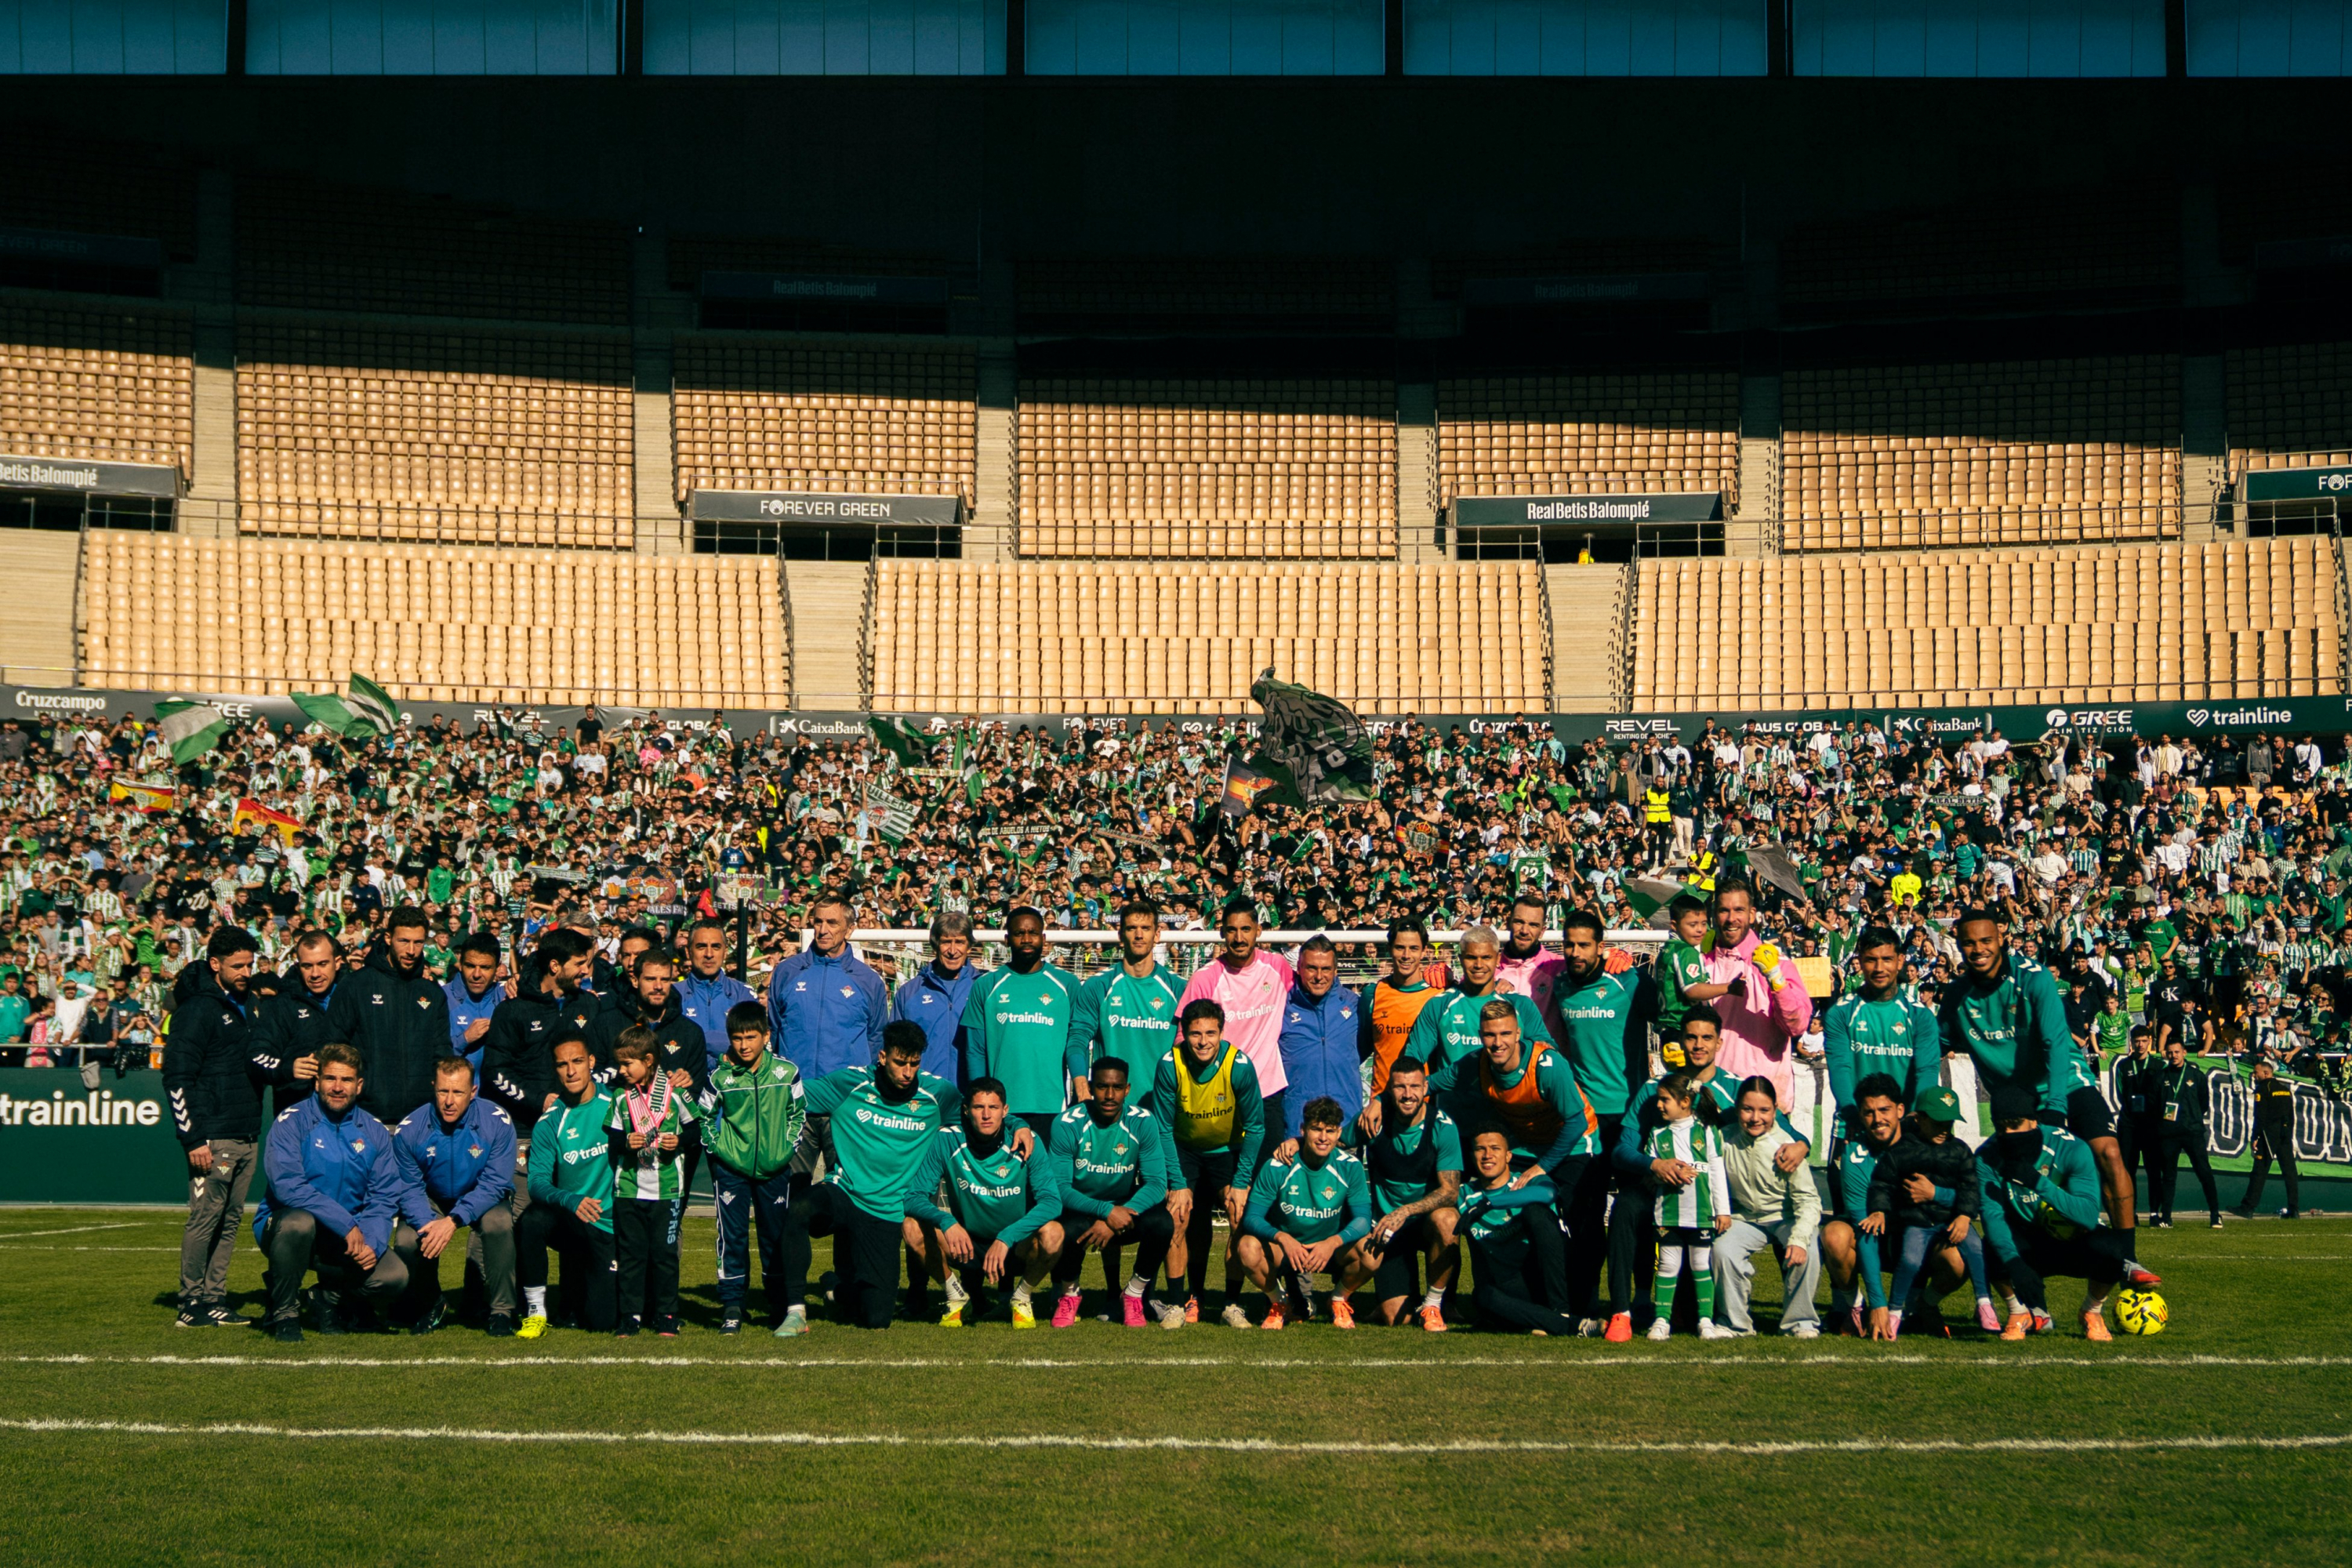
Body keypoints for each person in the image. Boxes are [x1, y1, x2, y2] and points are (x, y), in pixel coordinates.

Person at [1943, 909, 2147, 1275]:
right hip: (2016, 1098)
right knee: (2010, 1178)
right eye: (1969, 943)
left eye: (1986, 940)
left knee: (2109, 1152)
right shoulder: (1958, 996)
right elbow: (1933, 1044)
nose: (1978, 949)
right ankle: (2020, 1274)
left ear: (2001, 939)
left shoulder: (2034, 978)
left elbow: (2055, 1041)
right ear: (1960, 947)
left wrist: (2055, 1108)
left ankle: (2126, 1257)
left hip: (2065, 1080)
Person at [789, 1021, 967, 1331]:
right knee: (799, 1208)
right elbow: (791, 1095)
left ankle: (837, 1289)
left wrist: (1017, 1124)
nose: (908, 1072)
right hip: (845, 1193)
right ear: (883, 1057)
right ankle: (793, 1307)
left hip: (887, 1211)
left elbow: (979, 1113)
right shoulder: (850, 1084)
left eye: (914, 1063)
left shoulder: (937, 1094)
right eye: (900, 1063)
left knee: (877, 1319)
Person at [253, 1042, 415, 1343]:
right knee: (298, 1223)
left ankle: (326, 1299)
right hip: (289, 1227)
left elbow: (383, 1197)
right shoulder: (292, 1122)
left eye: (346, 1080)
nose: (338, 1087)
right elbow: (289, 1186)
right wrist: (346, 1223)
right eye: (330, 1079)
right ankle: (284, 1313)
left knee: (394, 1277)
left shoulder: (375, 1131)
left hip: (347, 1237)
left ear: (359, 1085)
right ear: (317, 1082)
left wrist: (374, 1243)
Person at [1548, 909, 1658, 1323]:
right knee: (1586, 1213)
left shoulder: (1628, 980)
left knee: (1636, 1211)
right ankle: (1588, 1303)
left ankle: (1643, 1299)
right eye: (1569, 944)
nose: (1575, 952)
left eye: (1584, 945)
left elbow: (1667, 1010)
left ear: (1601, 946)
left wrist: (1629, 959)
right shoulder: (1559, 985)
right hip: (1586, 1120)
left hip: (1630, 1116)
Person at [165, 925, 266, 1330]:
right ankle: (190, 1301)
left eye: (250, 964)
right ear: (215, 965)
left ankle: (215, 1296)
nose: (245, 971)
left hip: (246, 1132)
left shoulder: (250, 1005)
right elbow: (176, 1078)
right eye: (237, 965)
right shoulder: (197, 1010)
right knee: (205, 1218)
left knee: (231, 1219)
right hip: (213, 1137)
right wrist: (192, 1137)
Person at [1977, 1083, 2134, 1341]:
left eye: (2015, 1124)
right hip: (2027, 1241)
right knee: (1989, 1247)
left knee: (2114, 1249)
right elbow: (1992, 1216)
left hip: (2073, 1238)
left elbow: (2087, 1214)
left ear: (2034, 1121)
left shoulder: (2071, 1147)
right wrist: (2015, 1264)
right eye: (2001, 1125)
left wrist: (2038, 1183)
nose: (2008, 1132)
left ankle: (2091, 1312)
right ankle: (2019, 1312)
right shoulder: (1986, 1157)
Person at [905, 1075, 1065, 1328]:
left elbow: (1052, 1203)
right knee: (911, 1227)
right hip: (965, 1243)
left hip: (1013, 1244)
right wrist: (946, 1220)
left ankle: (1021, 1297)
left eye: (994, 1108)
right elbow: (913, 1197)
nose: (987, 1115)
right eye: (979, 1108)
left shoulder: (1025, 1140)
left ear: (1005, 1111)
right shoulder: (948, 1139)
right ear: (967, 1111)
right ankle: (956, 1295)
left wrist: (1006, 1237)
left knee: (1054, 1233)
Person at [1143, 997, 1265, 1327]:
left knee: (1239, 1215)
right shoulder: (1170, 1064)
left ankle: (1231, 1304)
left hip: (1227, 1150)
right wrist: (1178, 1182)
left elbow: (1256, 1127)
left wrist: (1241, 1183)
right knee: (1178, 1217)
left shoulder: (1239, 1065)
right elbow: (1164, 1128)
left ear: (1222, 1032)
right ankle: (1179, 1303)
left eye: (1211, 1033)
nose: (1203, 1041)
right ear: (1184, 1033)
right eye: (1195, 1033)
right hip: (1185, 1151)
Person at [1046, 1055, 1178, 1328]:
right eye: (1102, 1087)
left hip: (1125, 1208)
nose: (1109, 1095)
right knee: (1061, 1229)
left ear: (1127, 1089)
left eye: (1117, 1088)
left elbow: (1156, 1183)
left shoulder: (1143, 1121)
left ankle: (1133, 1294)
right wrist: (1105, 1212)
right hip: (1081, 1209)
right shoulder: (1067, 1123)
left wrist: (1122, 1214)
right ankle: (1069, 1294)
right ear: (1091, 1088)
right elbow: (1059, 1188)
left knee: (1163, 1222)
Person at [390, 1054, 518, 1335]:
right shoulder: (410, 1130)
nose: (449, 1101)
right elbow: (409, 1188)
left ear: (473, 1092)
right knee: (407, 1239)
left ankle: (501, 1311)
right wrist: (428, 1223)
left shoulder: (497, 1122)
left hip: (481, 1193)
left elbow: (496, 1183)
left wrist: (454, 1220)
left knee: (499, 1224)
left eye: (458, 1092)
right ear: (433, 1087)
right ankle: (432, 1302)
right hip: (432, 1197)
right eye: (443, 1091)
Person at [703, 1000, 807, 1334]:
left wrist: (786, 1149)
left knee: (774, 1238)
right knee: (731, 1237)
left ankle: (777, 1304)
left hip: (775, 1169)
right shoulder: (719, 1077)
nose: (744, 1045)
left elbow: (799, 1113)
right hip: (731, 1170)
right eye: (737, 1038)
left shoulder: (786, 1072)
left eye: (750, 1037)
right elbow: (703, 1118)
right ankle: (733, 1306)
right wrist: (720, 1149)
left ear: (766, 1035)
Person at [1864, 1085, 1996, 1338]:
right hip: (1917, 1224)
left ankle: (1984, 1304)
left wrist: (1965, 1216)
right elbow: (1883, 1184)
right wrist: (1879, 1210)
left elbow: (1970, 1187)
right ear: (1919, 1118)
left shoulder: (1960, 1150)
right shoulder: (1901, 1150)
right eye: (1937, 1122)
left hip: (1952, 1222)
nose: (1944, 1128)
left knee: (1977, 1250)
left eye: (1949, 1122)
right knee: (1910, 1260)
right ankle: (1895, 1313)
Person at [1236, 1094, 1374, 1329]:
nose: (1323, 1138)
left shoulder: (1349, 1166)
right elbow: (1252, 1217)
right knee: (1247, 1247)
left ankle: (1338, 1299)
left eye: (1330, 1131)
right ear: (1303, 1130)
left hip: (1329, 1250)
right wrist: (1283, 1238)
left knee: (1372, 1252)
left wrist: (1332, 1243)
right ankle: (1279, 1302)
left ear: (1339, 1133)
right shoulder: (1279, 1164)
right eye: (1316, 1129)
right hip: (1287, 1249)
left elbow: (1363, 1219)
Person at [515, 1029, 618, 1338]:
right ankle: (535, 1311)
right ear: (555, 1069)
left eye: (577, 1061)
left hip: (612, 1225)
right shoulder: (549, 1122)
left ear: (592, 1062)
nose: (571, 1071)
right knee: (532, 1220)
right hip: (574, 1222)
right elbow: (537, 1184)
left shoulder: (616, 1106)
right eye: (562, 1065)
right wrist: (572, 1200)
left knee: (602, 1321)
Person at [604, 1025, 700, 1337]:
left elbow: (696, 1131)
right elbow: (613, 1141)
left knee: (664, 1255)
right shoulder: (620, 1097)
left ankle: (667, 1314)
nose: (621, 1070)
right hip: (629, 1189)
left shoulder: (677, 1094)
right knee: (630, 1256)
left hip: (667, 1188)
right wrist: (626, 1142)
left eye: (626, 1064)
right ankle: (630, 1315)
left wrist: (679, 1141)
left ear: (648, 1060)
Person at [1356, 1054, 1462, 1331]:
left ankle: (1432, 1305)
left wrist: (1405, 1211)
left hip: (1425, 1224)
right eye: (1400, 1087)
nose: (1408, 1095)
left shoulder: (1443, 1125)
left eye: (1414, 1087)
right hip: (1387, 1229)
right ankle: (1389, 1304)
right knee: (1396, 1320)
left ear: (1426, 1088)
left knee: (1448, 1219)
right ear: (1389, 1091)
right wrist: (1295, 1144)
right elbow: (1331, 1140)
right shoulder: (1373, 1121)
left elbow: (1450, 1191)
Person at [1715, 1075, 1823, 1338]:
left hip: (1785, 1218)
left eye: (1764, 1110)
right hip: (1745, 1218)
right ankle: (1736, 1324)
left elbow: (1809, 1201)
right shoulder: (1723, 1140)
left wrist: (1797, 1239)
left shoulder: (1787, 1145)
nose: (1755, 1118)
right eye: (1747, 1109)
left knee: (1807, 1248)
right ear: (1737, 1108)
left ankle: (1800, 1323)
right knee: (1722, 1251)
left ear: (1776, 1109)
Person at [959, 906, 1081, 1135]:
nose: (1026, 939)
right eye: (1019, 933)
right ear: (1007, 939)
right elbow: (975, 1051)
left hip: (1052, 1105)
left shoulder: (1067, 985)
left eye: (1033, 933)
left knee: (1047, 1172)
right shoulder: (986, 986)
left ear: (1043, 939)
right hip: (1001, 1109)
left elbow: (1078, 1043)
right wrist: (981, 1103)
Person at [328, 905, 452, 1129]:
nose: (412, 950)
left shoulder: (433, 994)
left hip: (421, 1122)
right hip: (365, 1119)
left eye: (419, 942)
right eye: (404, 941)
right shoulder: (356, 986)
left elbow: (441, 1056)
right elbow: (334, 1049)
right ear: (388, 938)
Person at [1178, 898, 1296, 1131]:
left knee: (1265, 1167)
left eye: (1246, 930)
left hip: (1267, 1093)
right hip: (1220, 1094)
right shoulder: (1205, 978)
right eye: (1232, 930)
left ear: (1259, 931)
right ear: (1222, 932)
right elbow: (1183, 1038)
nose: (1239, 938)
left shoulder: (1278, 967)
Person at [1455, 1130, 1581, 1336]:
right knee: (1482, 1297)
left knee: (1535, 1212)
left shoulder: (1528, 1181)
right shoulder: (1464, 1194)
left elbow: (1548, 1193)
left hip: (1548, 1278)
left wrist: (1490, 1203)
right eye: (1480, 1149)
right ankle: (1559, 1324)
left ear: (1508, 1156)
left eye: (1495, 1149)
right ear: (1472, 1156)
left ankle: (1562, 1313)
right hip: (1511, 1286)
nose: (1488, 1155)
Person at [1700, 879, 1812, 1110]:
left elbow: (1798, 1026)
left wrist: (1775, 979)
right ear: (1714, 915)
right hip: (1712, 1102)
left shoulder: (1780, 964)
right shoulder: (1700, 967)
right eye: (1724, 910)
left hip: (1764, 1107)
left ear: (1752, 914)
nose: (1731, 919)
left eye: (1739, 910)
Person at [1639, 1072, 1733, 1341]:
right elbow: (1649, 1173)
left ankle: (1705, 1320)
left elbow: (1717, 1171)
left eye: (1664, 1099)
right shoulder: (1657, 1135)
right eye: (1659, 1099)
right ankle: (1661, 1321)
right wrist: (1663, 1174)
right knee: (1668, 1266)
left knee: (1700, 1264)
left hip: (1702, 1213)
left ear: (1685, 1101)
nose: (1659, 1104)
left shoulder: (1707, 1131)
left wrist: (1722, 1210)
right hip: (1668, 1212)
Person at [1822, 924, 1941, 1130]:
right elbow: (1840, 1069)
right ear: (1859, 962)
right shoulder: (1840, 1013)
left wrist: (1915, 1116)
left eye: (1887, 959)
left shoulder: (1921, 1016)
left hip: (1906, 1126)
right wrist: (1853, 1113)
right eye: (1871, 960)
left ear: (1900, 961)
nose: (1879, 968)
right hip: (1855, 1123)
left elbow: (1927, 1071)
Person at [1399, 924, 1554, 1078]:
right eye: (1471, 958)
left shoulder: (1521, 1005)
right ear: (1460, 959)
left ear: (1497, 959)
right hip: (1452, 1101)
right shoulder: (1439, 1005)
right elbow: (1413, 1060)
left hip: (1507, 1100)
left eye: (1486, 957)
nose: (1478, 965)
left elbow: (1548, 1055)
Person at [766, 895, 888, 1080]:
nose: (823, 930)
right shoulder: (786, 972)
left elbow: (876, 1037)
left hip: (846, 1094)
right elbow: (775, 1028)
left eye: (832, 923)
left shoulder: (869, 980)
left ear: (849, 930)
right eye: (818, 922)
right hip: (795, 1088)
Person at [1068, 900, 1182, 1096]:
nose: (1139, 935)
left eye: (1146, 928)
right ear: (1121, 936)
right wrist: (1080, 1085)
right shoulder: (1099, 985)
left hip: (1161, 1107)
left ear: (1157, 936)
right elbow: (1078, 1038)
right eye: (1131, 928)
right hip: (1110, 1108)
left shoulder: (1178, 988)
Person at [1274, 935, 1363, 1144]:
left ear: (1335, 970)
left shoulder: (1353, 1004)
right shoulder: (1281, 1007)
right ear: (1299, 967)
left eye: (1326, 969)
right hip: (1298, 1132)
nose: (1319, 976)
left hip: (1345, 1127)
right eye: (1312, 968)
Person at [249, 928, 339, 1116]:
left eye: (322, 964)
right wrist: (288, 1068)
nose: (315, 973)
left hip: (348, 1119)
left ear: (337, 963)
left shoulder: (354, 997)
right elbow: (255, 1057)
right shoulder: (281, 1005)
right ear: (298, 967)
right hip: (297, 1116)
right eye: (307, 966)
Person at [890, 910, 978, 1085]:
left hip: (971, 1097)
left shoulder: (983, 988)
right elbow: (895, 1047)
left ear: (969, 947)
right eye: (946, 942)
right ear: (935, 945)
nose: (953, 951)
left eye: (959, 942)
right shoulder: (910, 992)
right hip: (922, 1095)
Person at [1359, 918, 1446, 1095]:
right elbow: (1359, 1050)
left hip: (1424, 1105)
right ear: (1390, 949)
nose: (1406, 955)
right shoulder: (1373, 994)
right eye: (1400, 947)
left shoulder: (1440, 994)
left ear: (1423, 952)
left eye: (1414, 948)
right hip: (1382, 1104)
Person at [2149, 1037, 2223, 1228]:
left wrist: (2192, 1117)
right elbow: (2154, 1104)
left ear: (2184, 1053)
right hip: (2168, 1134)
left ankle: (2216, 1215)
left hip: (2192, 1131)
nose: (2173, 1056)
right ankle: (2166, 1217)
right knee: (2169, 1176)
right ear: (2166, 1053)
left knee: (2204, 1172)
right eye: (2170, 1052)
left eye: (2177, 1052)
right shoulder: (2161, 1076)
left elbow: (2204, 1103)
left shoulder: (2196, 1075)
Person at [677, 917, 757, 1076]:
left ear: (725, 951)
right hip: (686, 1090)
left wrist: (698, 1045)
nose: (709, 954)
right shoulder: (673, 995)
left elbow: (752, 1046)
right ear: (688, 951)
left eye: (716, 947)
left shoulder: (743, 994)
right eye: (701, 947)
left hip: (733, 1087)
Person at [2237, 1057, 2301, 1219]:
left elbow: (2260, 1115)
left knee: (2259, 1171)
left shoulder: (2263, 1089)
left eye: (2256, 1073)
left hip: (2268, 1133)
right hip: (2285, 1134)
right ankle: (2294, 1210)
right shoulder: (2285, 1089)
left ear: (2266, 1073)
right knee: (2290, 1172)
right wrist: (2288, 1133)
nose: (2254, 1076)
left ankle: (2248, 1207)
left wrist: (2255, 1136)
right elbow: (2291, 1116)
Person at [445, 931, 504, 1076]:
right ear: (460, 964)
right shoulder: (441, 998)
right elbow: (429, 1055)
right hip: (455, 1096)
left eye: (485, 968)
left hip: (496, 1097)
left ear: (498, 967)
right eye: (470, 966)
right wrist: (464, 1039)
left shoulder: (506, 997)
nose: (477, 975)